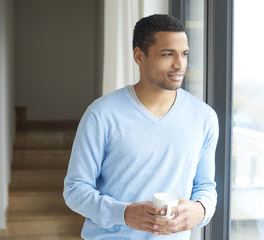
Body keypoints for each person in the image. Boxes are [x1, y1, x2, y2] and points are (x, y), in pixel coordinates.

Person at [63, 14, 219, 239]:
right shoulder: (102, 114)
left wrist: (201, 209)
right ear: (139, 56)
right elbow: (75, 189)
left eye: (184, 54)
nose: (179, 64)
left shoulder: (204, 117)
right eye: (168, 54)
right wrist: (124, 214)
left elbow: (205, 186)